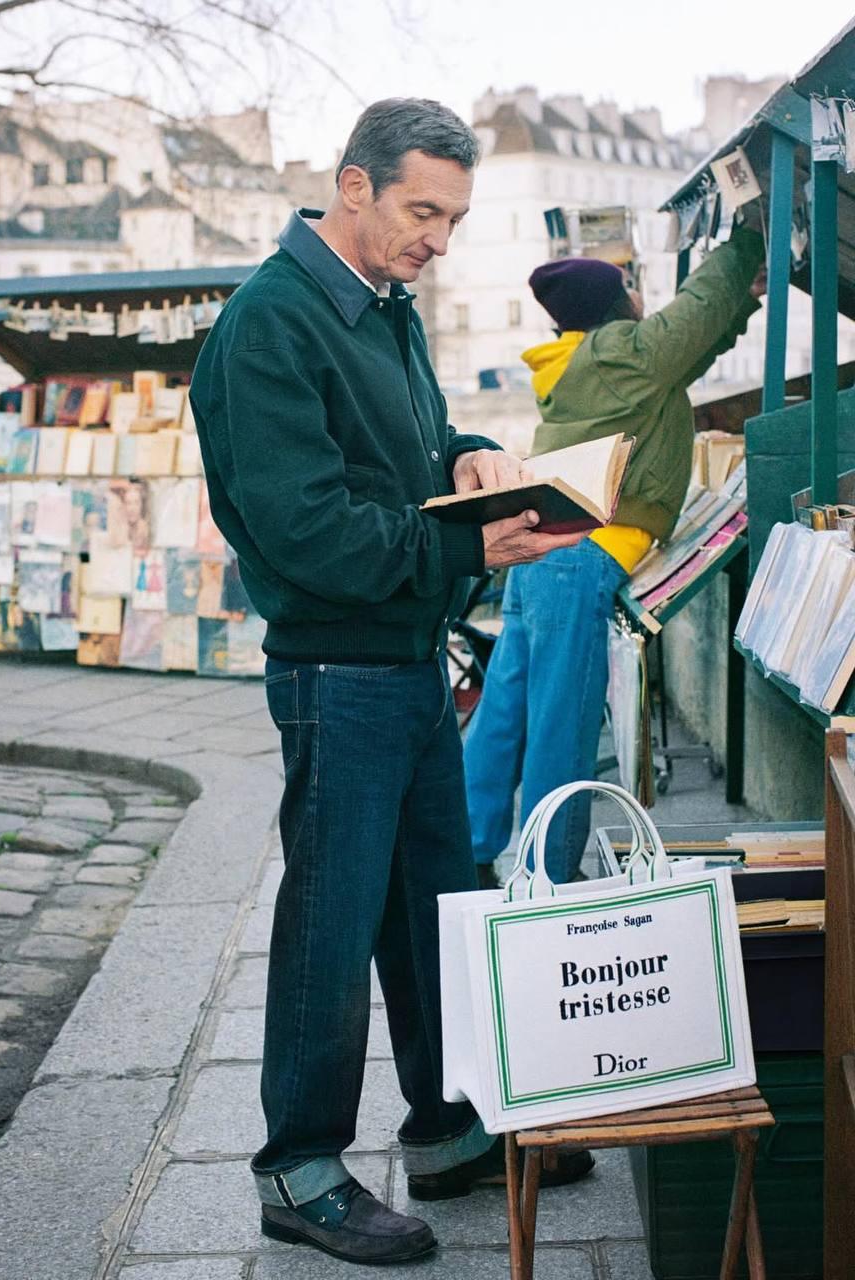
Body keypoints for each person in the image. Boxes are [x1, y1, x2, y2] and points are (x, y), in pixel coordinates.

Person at [190, 97, 593, 1268]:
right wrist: (473, 546)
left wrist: (465, 449)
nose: (440, 238)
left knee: (432, 903)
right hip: (336, 666)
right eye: (424, 210)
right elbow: (309, 532)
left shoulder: (383, 308)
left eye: (455, 216)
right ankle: (300, 1167)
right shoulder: (270, 324)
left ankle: (446, 1126)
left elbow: (402, 452)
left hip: (408, 661)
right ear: (352, 186)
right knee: (334, 916)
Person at [464, 225, 767, 890]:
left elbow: (692, 347)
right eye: (627, 287)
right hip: (580, 558)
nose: (637, 295)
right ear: (610, 307)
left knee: (508, 706)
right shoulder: (618, 354)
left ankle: (468, 843)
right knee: (562, 723)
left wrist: (743, 302)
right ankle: (549, 872)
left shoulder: (586, 362)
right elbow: (688, 321)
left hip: (541, 555)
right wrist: (748, 243)